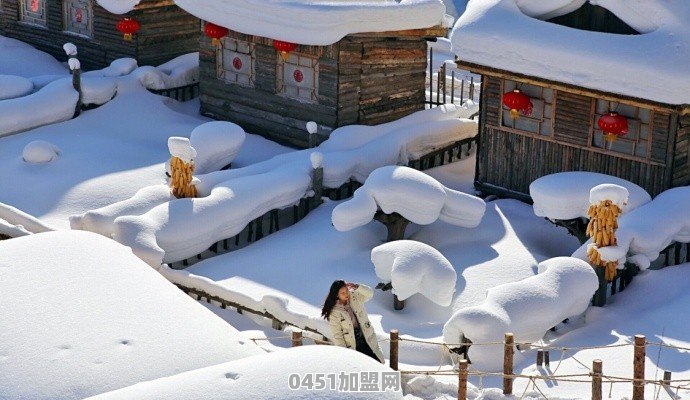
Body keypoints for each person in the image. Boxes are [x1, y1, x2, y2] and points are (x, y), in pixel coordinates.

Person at [321, 280, 385, 363]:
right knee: (365, 365)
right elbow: (338, 336)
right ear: (337, 295)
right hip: (353, 343)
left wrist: (357, 287)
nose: (346, 294)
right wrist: (344, 354)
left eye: (346, 290)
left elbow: (370, 294)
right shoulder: (334, 312)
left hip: (367, 337)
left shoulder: (355, 296)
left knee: (377, 362)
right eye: (342, 293)